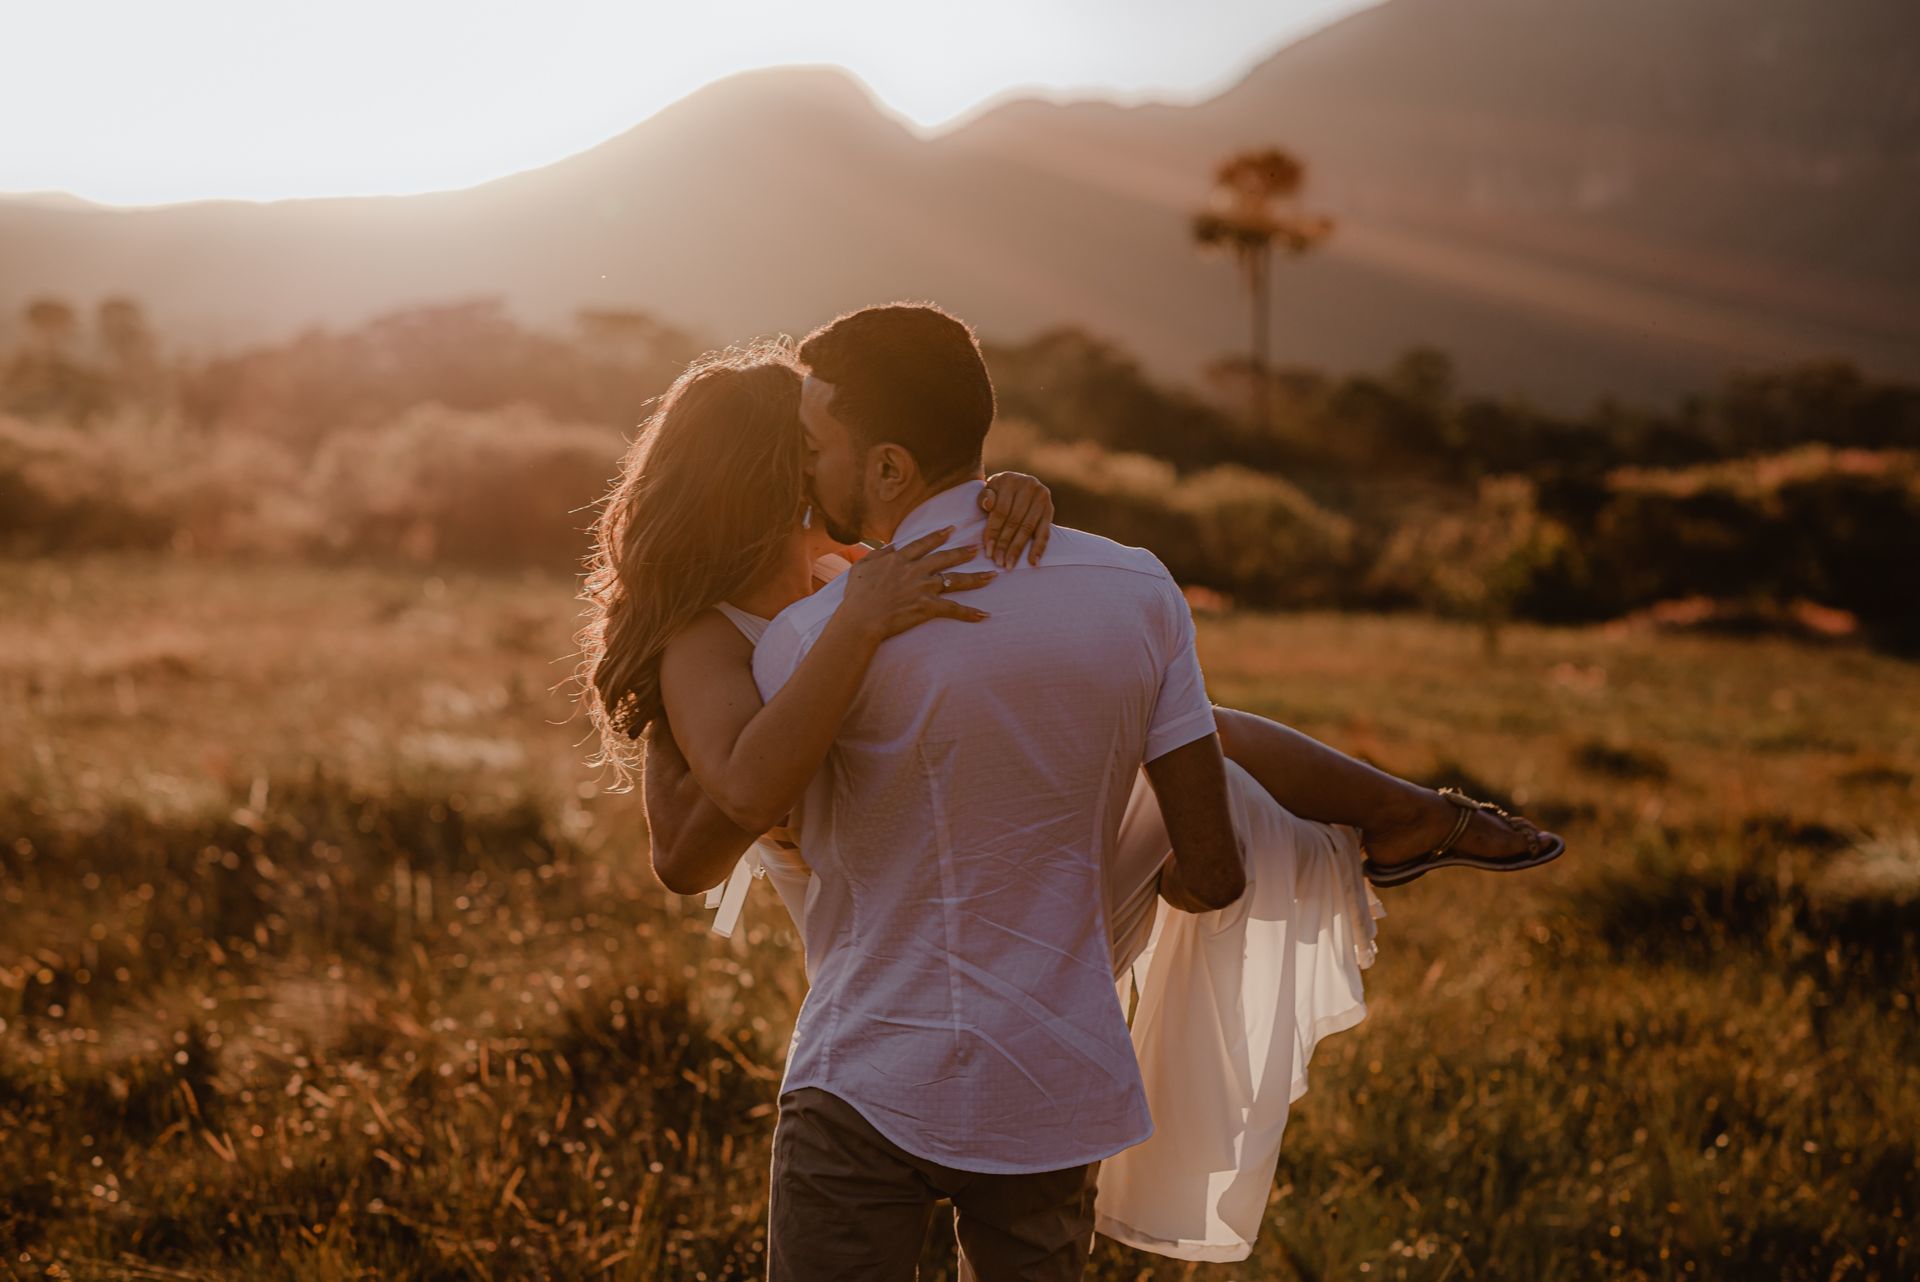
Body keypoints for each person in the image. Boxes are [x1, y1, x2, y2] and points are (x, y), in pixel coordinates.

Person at [576, 312, 1564, 1277]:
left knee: (1159, 726)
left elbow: (935, 541)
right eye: (804, 443)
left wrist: (995, 495)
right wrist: (859, 623)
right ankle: (1399, 818)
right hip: (865, 908)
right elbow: (694, 844)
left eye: (823, 441)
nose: (818, 457)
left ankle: (1405, 813)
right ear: (765, 473)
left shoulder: (847, 567)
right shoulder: (714, 635)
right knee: (1167, 734)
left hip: (944, 886)